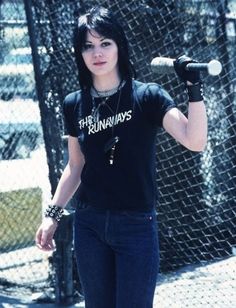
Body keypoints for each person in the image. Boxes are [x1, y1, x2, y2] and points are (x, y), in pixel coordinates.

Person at [35, 6, 207, 308]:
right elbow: (75, 166)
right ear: (79, 52)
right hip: (89, 225)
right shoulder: (74, 103)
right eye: (88, 46)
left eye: (105, 43)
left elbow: (195, 141)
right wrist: (52, 215)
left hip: (136, 226)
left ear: (119, 46)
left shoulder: (148, 96)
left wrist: (194, 87)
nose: (97, 52)